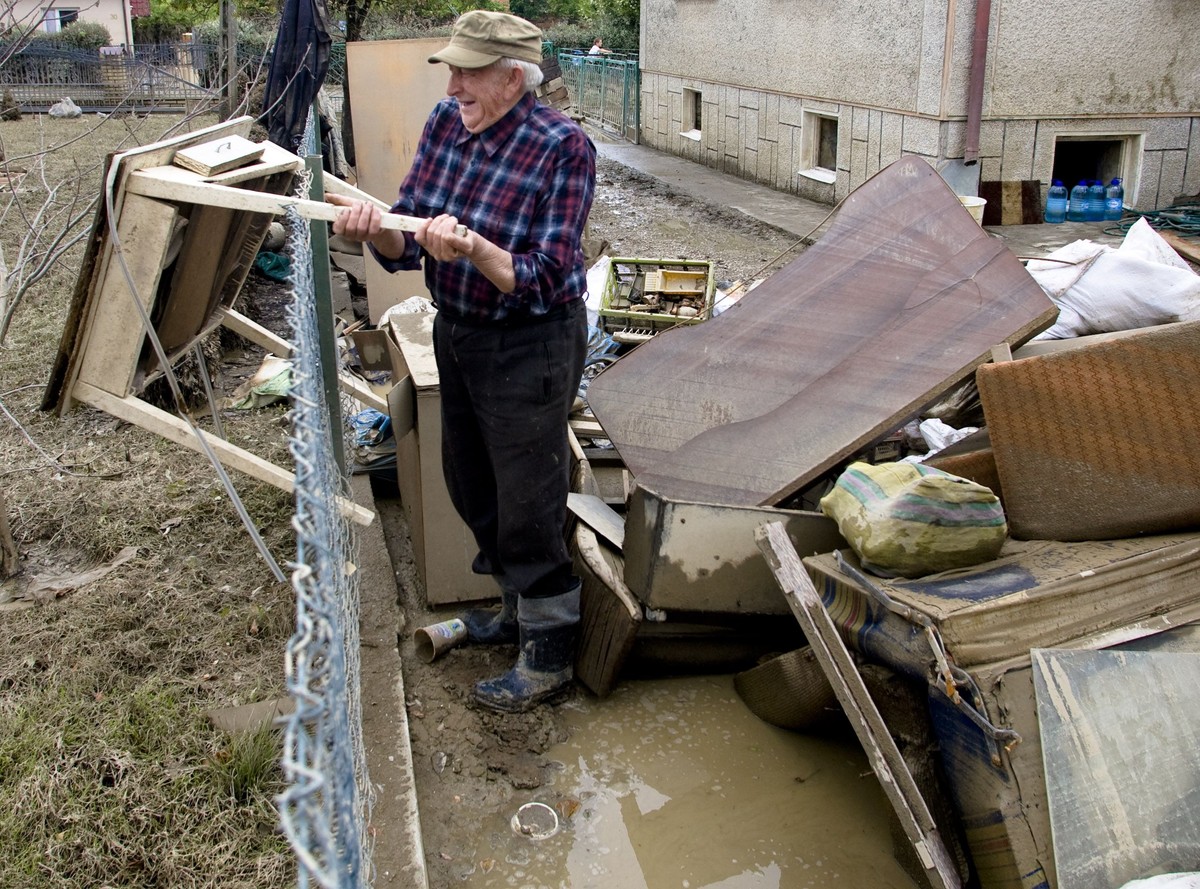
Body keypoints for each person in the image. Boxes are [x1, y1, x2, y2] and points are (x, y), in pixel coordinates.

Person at [328, 10, 596, 713]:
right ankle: (513, 611)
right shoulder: (449, 123)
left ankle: (549, 652)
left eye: (468, 73)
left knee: (529, 500)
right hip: (460, 331)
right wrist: (374, 229)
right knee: (472, 485)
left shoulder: (562, 147)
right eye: (451, 71)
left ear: (513, 78)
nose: (452, 87)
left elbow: (546, 275)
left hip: (533, 340)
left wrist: (476, 248)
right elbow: (406, 236)